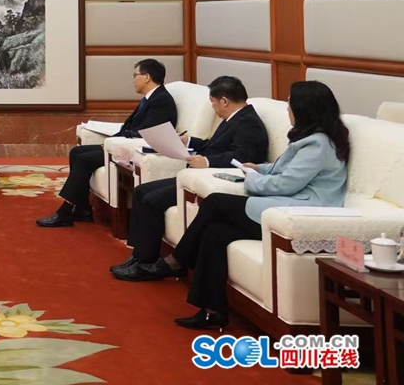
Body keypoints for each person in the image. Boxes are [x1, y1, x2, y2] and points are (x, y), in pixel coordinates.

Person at [142, 80, 349, 330]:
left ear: (305, 108)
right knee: (215, 233)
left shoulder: (318, 144)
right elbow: (283, 169)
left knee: (216, 202)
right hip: (286, 204)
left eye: (290, 104)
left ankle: (177, 260)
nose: (287, 109)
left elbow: (286, 184)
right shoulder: (311, 139)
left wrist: (252, 180)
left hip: (299, 211)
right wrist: (258, 168)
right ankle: (212, 311)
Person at [112, 76, 269, 280]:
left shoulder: (248, 123)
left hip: (209, 178)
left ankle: (146, 262)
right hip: (195, 174)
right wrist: (188, 141)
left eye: (213, 102)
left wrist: (207, 161)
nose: (213, 107)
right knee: (142, 191)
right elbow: (215, 145)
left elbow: (241, 156)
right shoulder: (235, 117)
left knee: (152, 200)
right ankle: (138, 256)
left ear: (224, 101)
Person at [38, 59, 178, 227]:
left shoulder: (161, 100)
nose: (133, 79)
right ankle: (82, 209)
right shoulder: (152, 98)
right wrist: (112, 140)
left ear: (147, 77)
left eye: (135, 75)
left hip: (136, 150)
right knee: (76, 153)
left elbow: (148, 132)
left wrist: (113, 141)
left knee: (83, 159)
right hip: (121, 143)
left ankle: (66, 211)